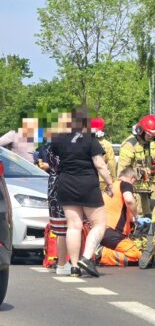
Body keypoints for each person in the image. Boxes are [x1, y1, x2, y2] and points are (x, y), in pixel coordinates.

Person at [51, 107, 114, 277]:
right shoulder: (90, 139)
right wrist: (109, 183)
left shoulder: (58, 139)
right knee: (99, 224)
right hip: (87, 185)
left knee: (73, 226)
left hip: (66, 183)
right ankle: (86, 258)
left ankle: (74, 267)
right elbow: (100, 164)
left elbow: (54, 156)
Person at [38, 112, 72, 275]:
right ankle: (69, 262)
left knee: (60, 227)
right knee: (71, 224)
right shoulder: (65, 143)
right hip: (65, 182)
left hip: (53, 183)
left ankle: (61, 262)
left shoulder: (49, 142)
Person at [97, 167, 150, 266]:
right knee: (137, 255)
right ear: (132, 178)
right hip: (113, 233)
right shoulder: (125, 184)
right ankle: (101, 254)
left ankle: (102, 252)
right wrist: (137, 216)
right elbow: (129, 200)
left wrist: (133, 219)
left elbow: (117, 210)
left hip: (102, 231)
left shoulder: (110, 187)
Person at [117, 114, 155, 217]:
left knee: (147, 216)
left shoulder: (145, 143)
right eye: (149, 135)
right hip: (133, 190)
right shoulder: (130, 145)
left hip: (143, 189)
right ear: (141, 131)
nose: (151, 138)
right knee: (137, 221)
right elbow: (122, 172)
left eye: (153, 136)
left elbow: (147, 163)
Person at [91, 117, 116, 192]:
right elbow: (112, 164)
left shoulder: (84, 143)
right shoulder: (107, 145)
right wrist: (113, 178)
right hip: (103, 179)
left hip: (88, 178)